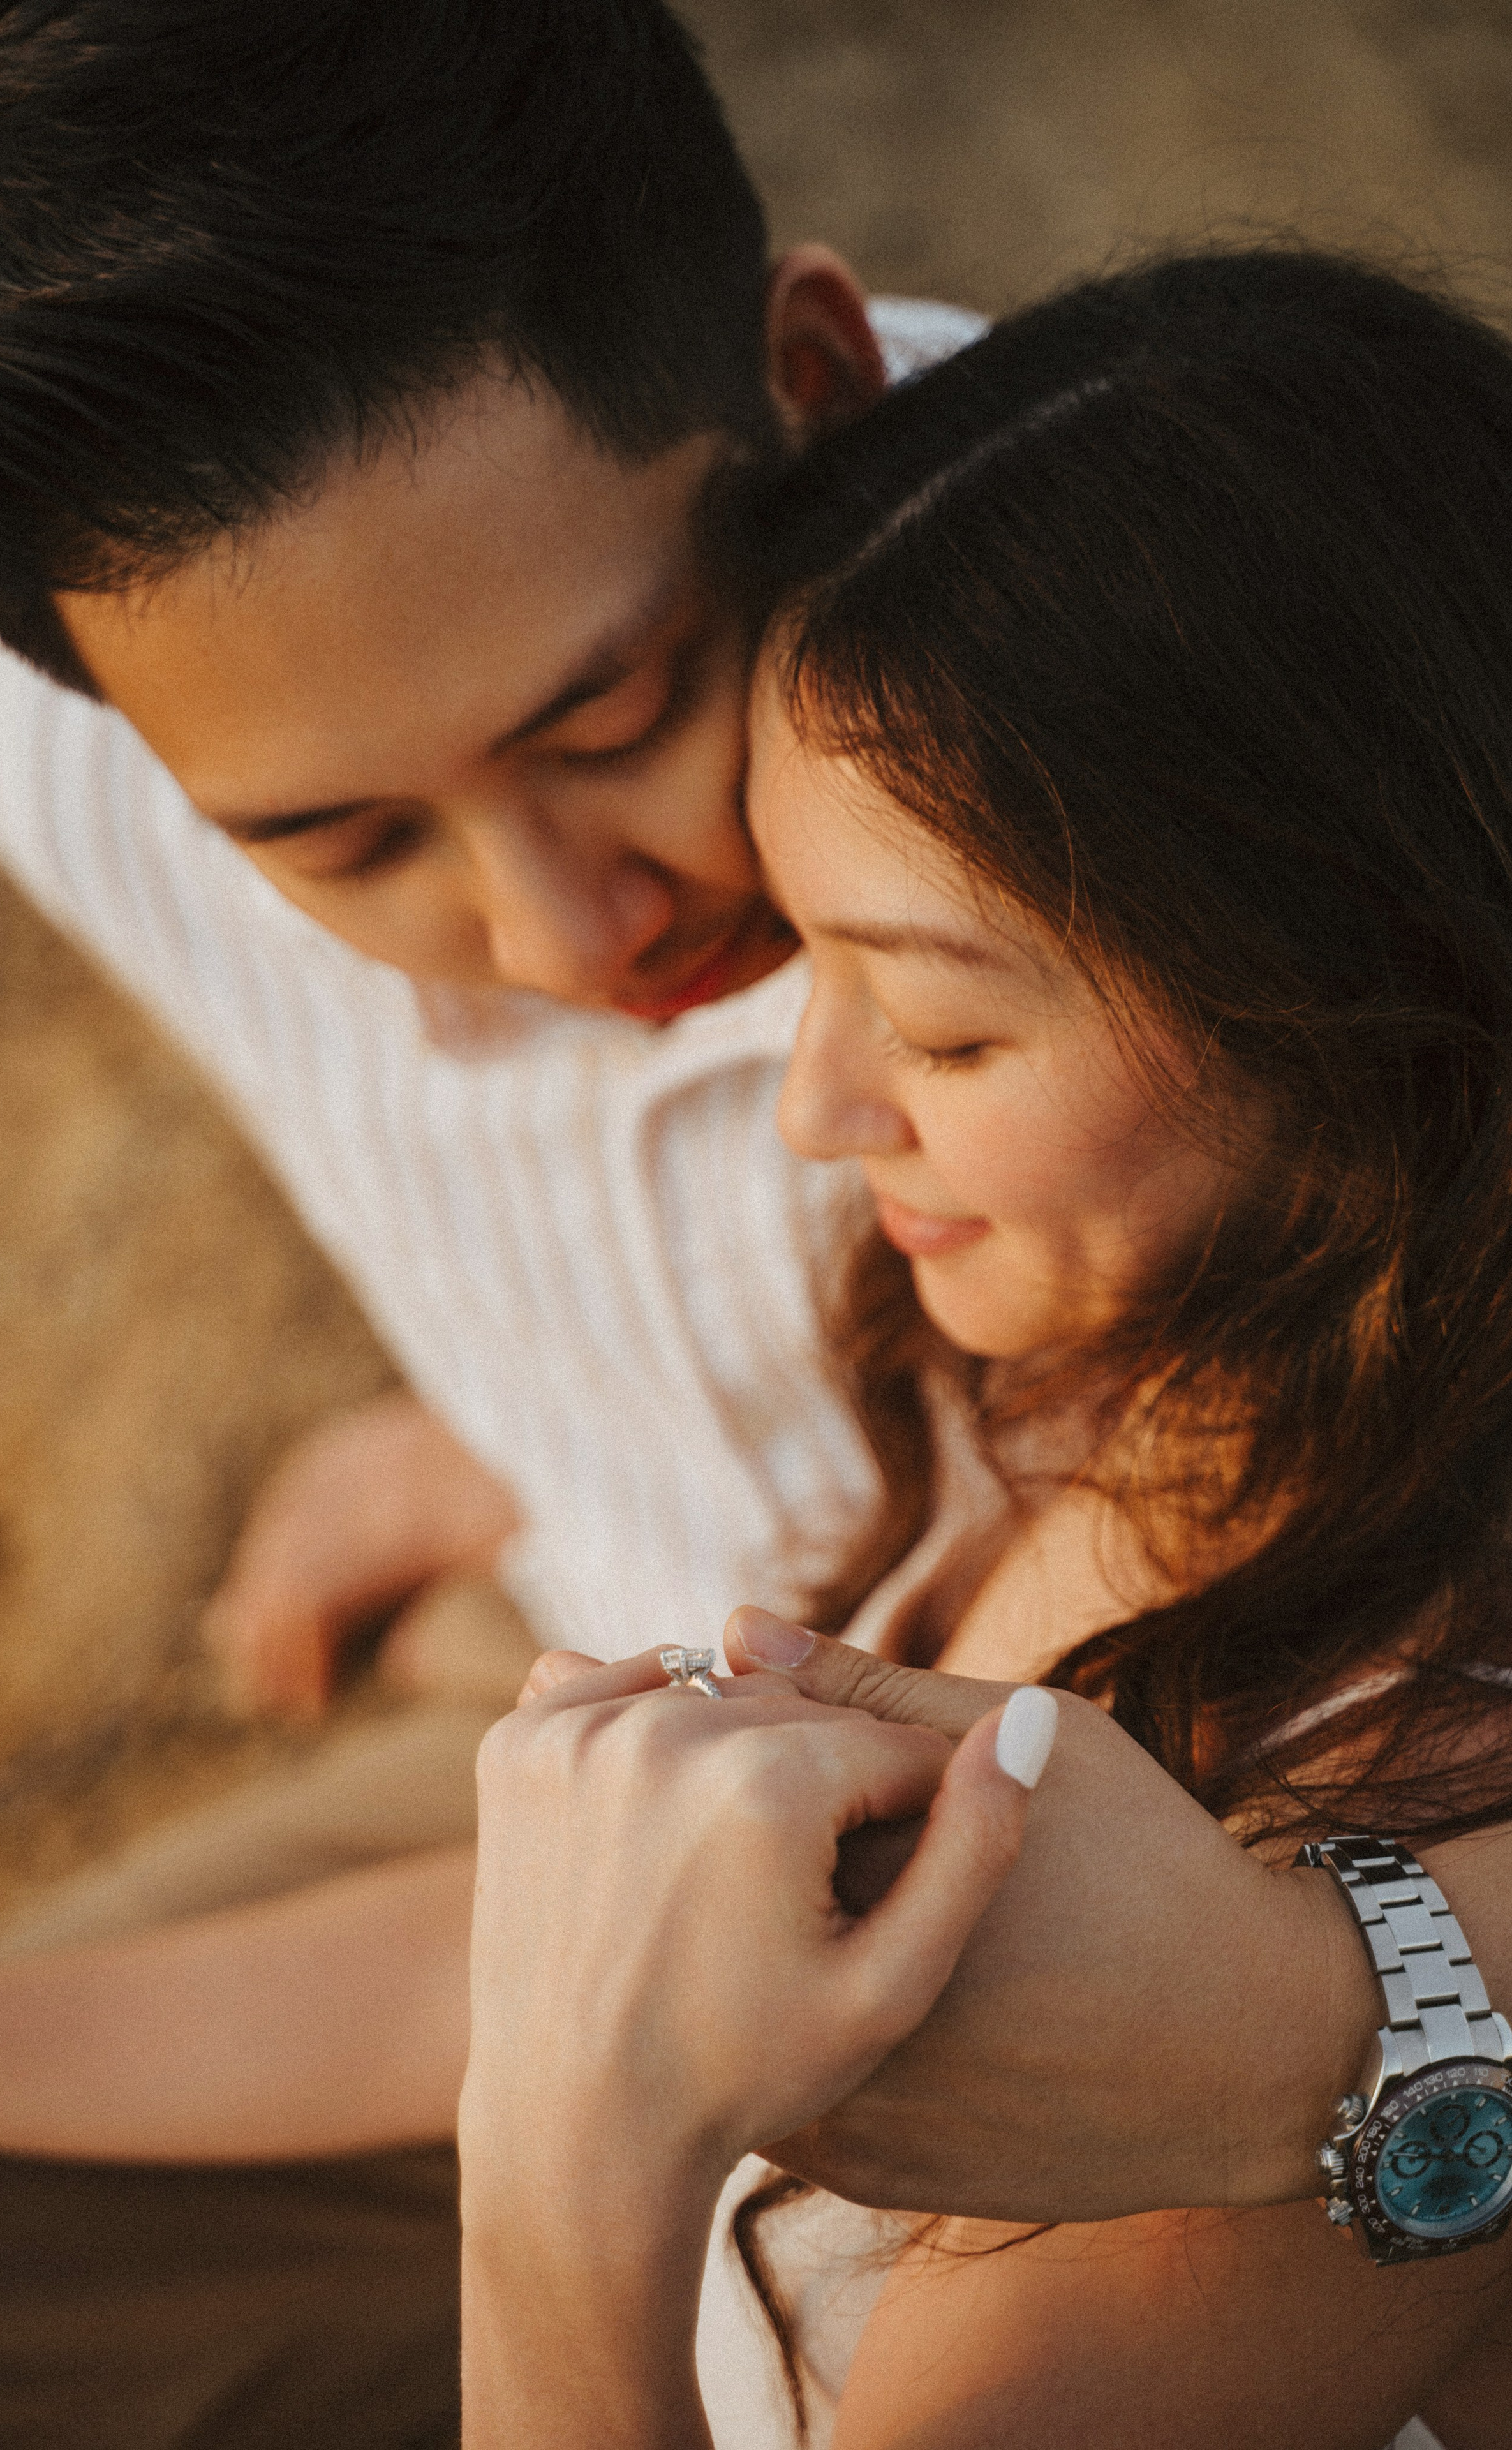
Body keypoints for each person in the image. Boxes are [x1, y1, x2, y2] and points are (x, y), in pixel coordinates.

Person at [458, 249, 1512, 2448]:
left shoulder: (1351, 1858)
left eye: (941, 1020)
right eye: (812, 964)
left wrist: (557, 2194)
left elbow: (595, 2074)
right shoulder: (1087, 1374)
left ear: (1352, 1014)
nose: (819, 1108)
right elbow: (568, 1976)